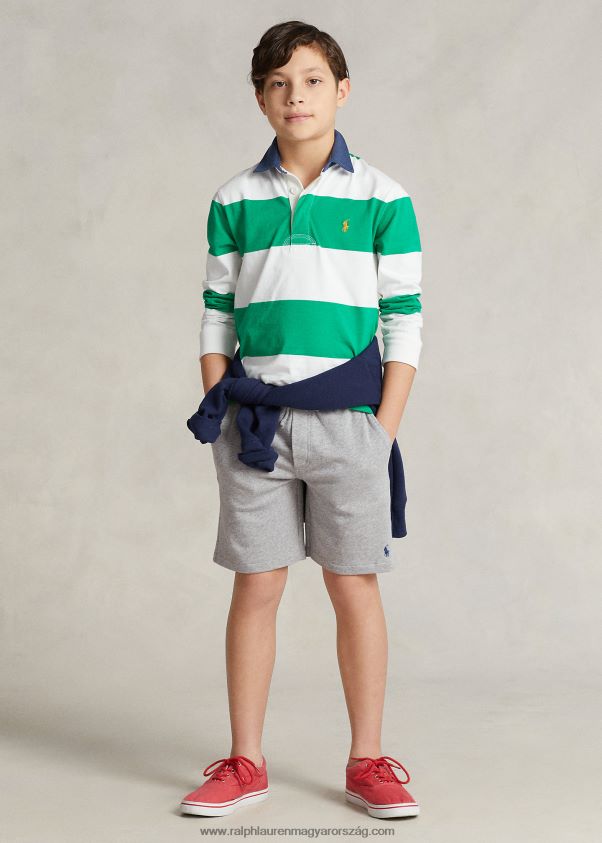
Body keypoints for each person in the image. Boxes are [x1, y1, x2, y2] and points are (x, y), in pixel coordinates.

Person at [180, 20, 423, 821]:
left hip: (350, 424)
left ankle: (367, 759)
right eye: (279, 83)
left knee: (353, 585)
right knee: (257, 584)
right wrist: (221, 410)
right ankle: (245, 760)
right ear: (260, 99)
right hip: (255, 426)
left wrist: (381, 430)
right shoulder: (234, 199)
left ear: (342, 91)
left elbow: (405, 321)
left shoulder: (384, 198)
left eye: (313, 80)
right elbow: (216, 314)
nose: (297, 96)